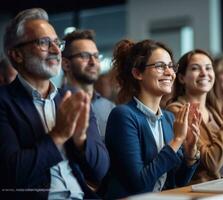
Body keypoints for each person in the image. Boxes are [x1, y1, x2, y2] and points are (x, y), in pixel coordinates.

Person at [0, 8, 109, 199]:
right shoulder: (4, 101)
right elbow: (11, 174)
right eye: (44, 43)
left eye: (58, 43)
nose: (56, 50)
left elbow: (101, 170)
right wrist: (58, 135)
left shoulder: (73, 100)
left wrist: (81, 140)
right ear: (17, 55)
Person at [105, 39, 200, 199]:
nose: (170, 73)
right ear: (138, 73)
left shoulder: (168, 118)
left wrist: (190, 155)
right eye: (160, 66)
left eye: (171, 66)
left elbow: (175, 183)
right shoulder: (123, 115)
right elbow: (139, 185)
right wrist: (176, 141)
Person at [166, 49, 223, 182]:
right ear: (182, 77)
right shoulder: (177, 110)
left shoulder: (216, 109)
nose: (204, 73)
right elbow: (211, 164)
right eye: (195, 68)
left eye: (208, 68)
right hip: (203, 192)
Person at [62, 29, 115, 141]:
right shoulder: (57, 104)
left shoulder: (110, 107)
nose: (93, 62)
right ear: (66, 64)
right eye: (85, 56)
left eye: (96, 56)